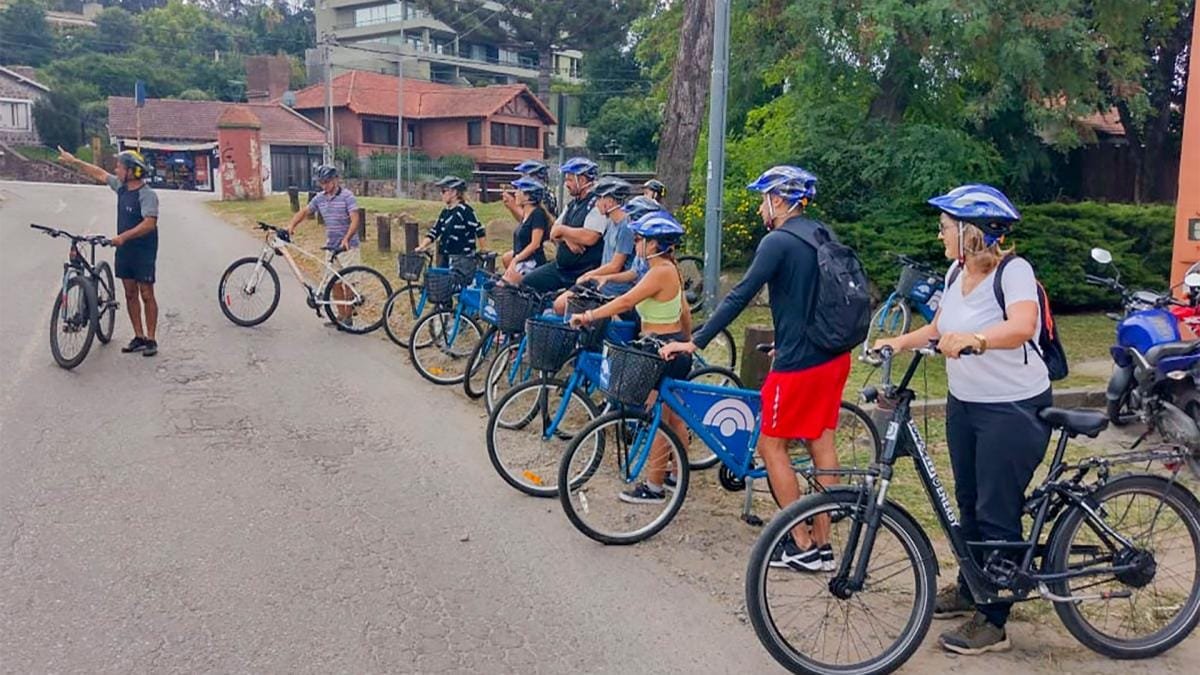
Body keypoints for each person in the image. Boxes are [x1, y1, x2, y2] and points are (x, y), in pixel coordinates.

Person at [873, 184, 1049, 656]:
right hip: (966, 404)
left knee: (997, 509)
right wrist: (900, 342)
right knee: (967, 502)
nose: (939, 235)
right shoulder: (956, 272)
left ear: (971, 233)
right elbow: (939, 329)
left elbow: (1022, 326)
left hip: (1011, 408)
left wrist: (979, 339)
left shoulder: (1015, 272)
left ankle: (995, 619)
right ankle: (973, 585)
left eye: (945, 227)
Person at [660, 165, 849, 572]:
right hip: (833, 356)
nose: (761, 207)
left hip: (800, 364)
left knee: (770, 445)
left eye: (764, 198)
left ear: (778, 200)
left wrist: (695, 340)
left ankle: (799, 544)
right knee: (821, 441)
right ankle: (823, 543)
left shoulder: (777, 241)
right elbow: (815, 299)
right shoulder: (823, 234)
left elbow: (739, 296)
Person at [568, 212, 692, 503]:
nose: (636, 244)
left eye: (640, 239)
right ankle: (676, 473)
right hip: (669, 343)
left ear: (654, 245)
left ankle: (654, 486)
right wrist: (686, 341)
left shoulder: (660, 271)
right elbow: (684, 311)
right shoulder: (669, 268)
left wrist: (588, 315)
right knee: (674, 419)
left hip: (663, 348)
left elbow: (626, 300)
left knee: (657, 417)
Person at [58, 146, 162, 356]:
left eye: (120, 167)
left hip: (143, 249)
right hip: (124, 249)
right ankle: (139, 336)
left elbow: (149, 223)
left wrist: (122, 237)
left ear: (132, 171)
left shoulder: (147, 195)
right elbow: (98, 173)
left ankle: (151, 339)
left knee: (146, 294)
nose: (116, 170)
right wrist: (74, 160)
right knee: (130, 293)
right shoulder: (121, 188)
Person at [286, 164, 361, 323]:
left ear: (335, 180)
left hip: (348, 246)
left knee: (348, 283)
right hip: (332, 245)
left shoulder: (347, 196)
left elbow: (355, 219)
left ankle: (349, 316)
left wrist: (347, 238)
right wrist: (292, 225)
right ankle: (340, 316)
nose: (324, 185)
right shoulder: (320, 198)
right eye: (322, 182)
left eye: (327, 182)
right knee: (333, 282)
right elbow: (305, 212)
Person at [521, 157, 607, 293]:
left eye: (570, 180)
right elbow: (553, 231)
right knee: (527, 283)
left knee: (560, 305)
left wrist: (562, 231)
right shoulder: (572, 204)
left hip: (582, 272)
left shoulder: (595, 204)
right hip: (561, 268)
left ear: (583, 180)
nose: (566, 184)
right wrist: (567, 238)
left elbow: (590, 237)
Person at [553, 176, 637, 314]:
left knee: (561, 305)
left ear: (609, 202)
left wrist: (588, 275)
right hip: (600, 283)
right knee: (560, 304)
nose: (596, 204)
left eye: (599, 199)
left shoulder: (625, 227)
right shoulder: (610, 223)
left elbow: (615, 266)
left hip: (614, 287)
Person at [417, 176, 487, 267]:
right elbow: (435, 231)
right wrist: (422, 246)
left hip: (462, 259)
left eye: (444, 191)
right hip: (445, 257)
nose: (441, 194)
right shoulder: (445, 212)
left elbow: (479, 231)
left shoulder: (465, 211)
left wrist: (483, 252)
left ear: (454, 192)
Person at [500, 177, 551, 284]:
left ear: (528, 196)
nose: (516, 194)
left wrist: (516, 259)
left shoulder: (538, 214)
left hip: (532, 263)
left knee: (503, 288)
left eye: (519, 191)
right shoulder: (526, 214)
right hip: (522, 261)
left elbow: (535, 244)